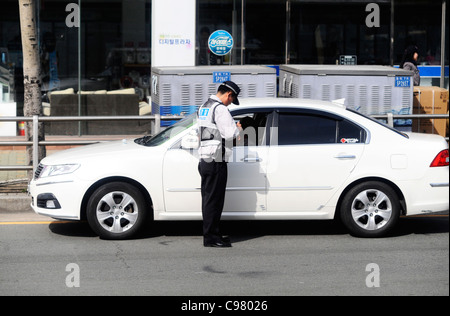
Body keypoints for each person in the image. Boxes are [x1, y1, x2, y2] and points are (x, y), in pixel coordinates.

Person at [197, 81, 240, 248]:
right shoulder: (220, 109)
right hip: (216, 159)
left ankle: (213, 233)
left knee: (209, 199)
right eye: (232, 100)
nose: (230, 103)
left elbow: (201, 133)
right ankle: (211, 237)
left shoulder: (204, 107)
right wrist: (238, 128)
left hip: (205, 158)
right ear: (229, 95)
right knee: (214, 200)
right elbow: (230, 134)